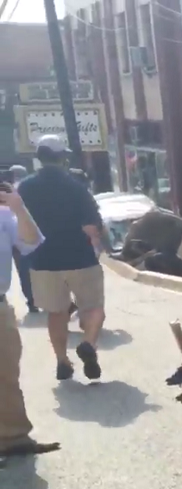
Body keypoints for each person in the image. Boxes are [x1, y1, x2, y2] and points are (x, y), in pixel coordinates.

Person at [18, 135, 106, 381]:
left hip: (43, 260)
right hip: (80, 258)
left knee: (57, 313)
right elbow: (92, 227)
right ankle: (88, 343)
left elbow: (19, 224)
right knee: (94, 307)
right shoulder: (76, 187)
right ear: (63, 158)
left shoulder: (25, 188)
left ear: (39, 157)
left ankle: (61, 361)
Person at [0, 175, 60, 457]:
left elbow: (32, 242)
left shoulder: (4, 215)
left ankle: (13, 440)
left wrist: (19, 208)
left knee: (6, 374)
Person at [7, 165, 36, 312]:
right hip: (34, 233)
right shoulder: (31, 186)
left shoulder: (10, 191)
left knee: (23, 269)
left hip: (17, 236)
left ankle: (31, 300)